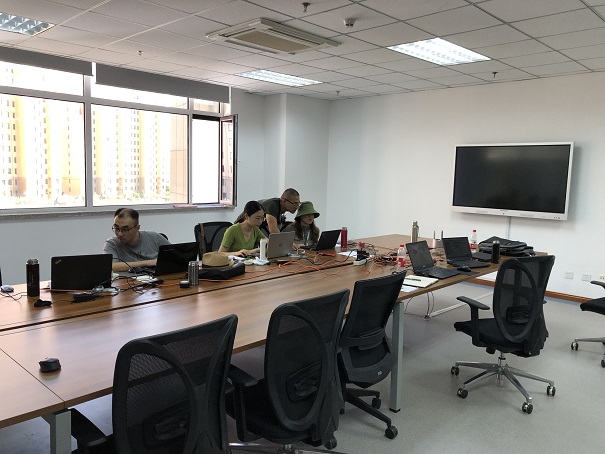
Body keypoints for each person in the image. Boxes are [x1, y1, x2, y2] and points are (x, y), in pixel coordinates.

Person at [103, 207, 170, 272]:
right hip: (129, 279)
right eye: (117, 228)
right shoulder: (112, 244)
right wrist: (148, 262)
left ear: (137, 228)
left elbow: (174, 256)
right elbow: (113, 267)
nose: (120, 234)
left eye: (125, 229)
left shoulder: (154, 237)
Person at [236, 188, 301, 234]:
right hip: (242, 230)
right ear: (283, 201)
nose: (297, 207)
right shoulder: (272, 205)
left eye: (298, 204)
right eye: (294, 204)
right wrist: (286, 243)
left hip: (255, 231)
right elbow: (272, 228)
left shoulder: (280, 209)